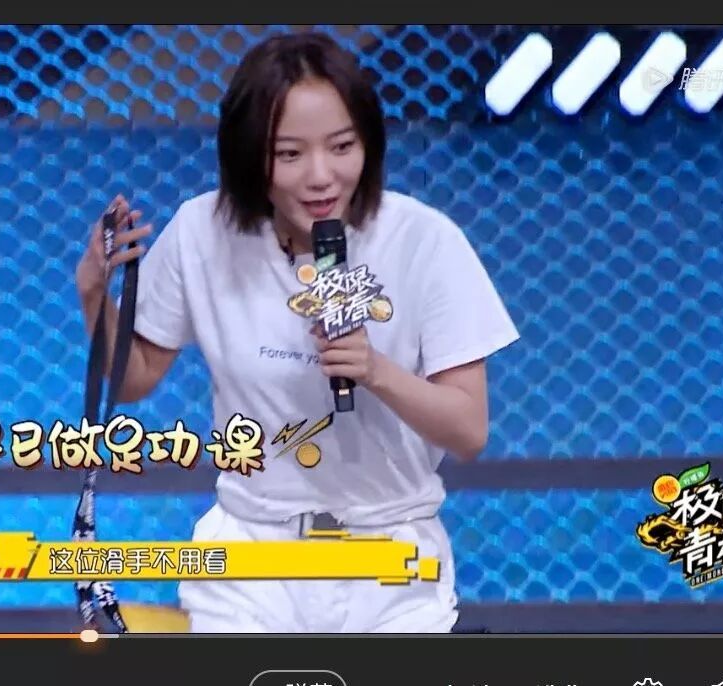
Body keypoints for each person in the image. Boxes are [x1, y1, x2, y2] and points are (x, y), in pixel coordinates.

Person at [75, 31, 519, 633]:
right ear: (249, 156)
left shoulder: (425, 240)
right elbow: (133, 379)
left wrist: (376, 371)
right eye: (289, 155)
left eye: (342, 147)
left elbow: (468, 430)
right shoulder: (202, 232)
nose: (321, 176)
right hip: (252, 552)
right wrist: (95, 296)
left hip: (391, 553)